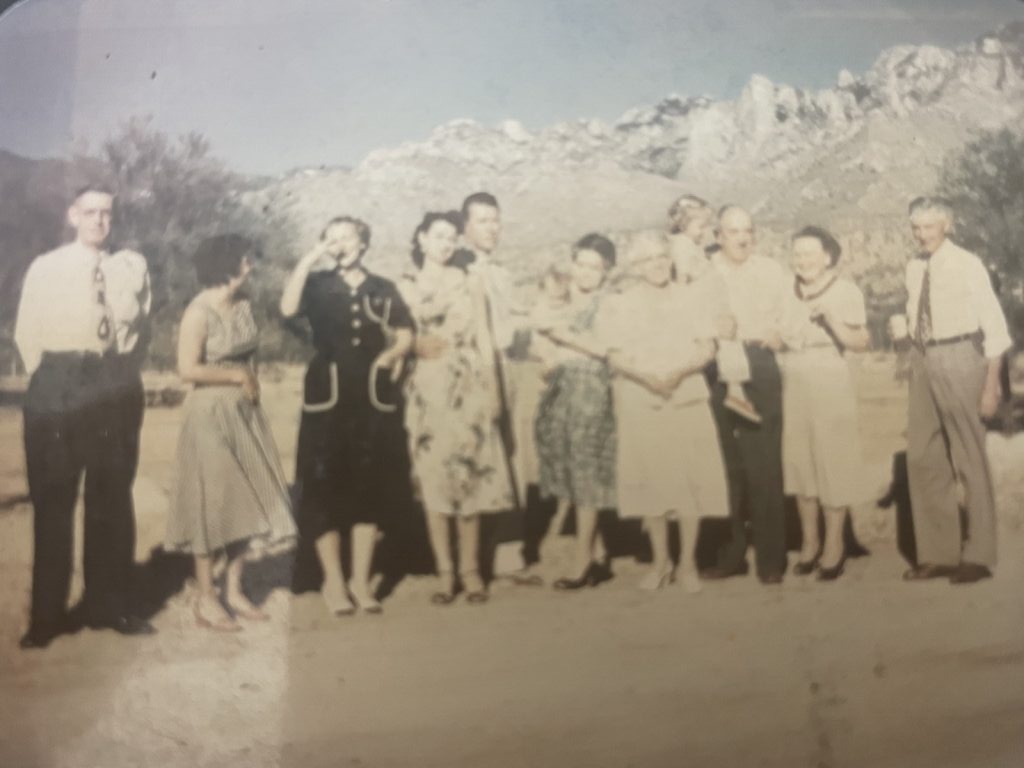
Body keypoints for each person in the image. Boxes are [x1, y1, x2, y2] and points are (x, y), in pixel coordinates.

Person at [14, 184, 155, 648]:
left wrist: (114, 374)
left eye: (107, 214)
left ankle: (109, 606)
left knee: (111, 498)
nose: (99, 221)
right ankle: (47, 617)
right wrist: (57, 377)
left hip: (113, 383)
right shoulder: (47, 267)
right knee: (54, 501)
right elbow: (27, 332)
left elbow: (144, 329)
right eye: (90, 212)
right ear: (73, 215)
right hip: (58, 382)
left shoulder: (132, 267)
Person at [280, 216, 414, 615]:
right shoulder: (318, 284)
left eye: (347, 236)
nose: (340, 244)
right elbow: (287, 308)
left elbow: (405, 329)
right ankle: (334, 583)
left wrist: (395, 352)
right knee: (325, 489)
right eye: (331, 238)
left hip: (372, 397)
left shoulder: (382, 287)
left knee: (368, 487)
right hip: (328, 394)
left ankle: (360, 580)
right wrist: (312, 257)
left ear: (363, 243)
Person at [165, 235, 296, 631]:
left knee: (248, 501)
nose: (249, 266)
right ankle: (206, 597)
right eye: (243, 260)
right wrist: (237, 374)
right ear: (224, 263)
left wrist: (249, 385)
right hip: (209, 413)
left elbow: (250, 356)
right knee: (212, 504)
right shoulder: (198, 312)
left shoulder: (244, 306)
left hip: (244, 412)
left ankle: (234, 590)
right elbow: (187, 369)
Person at [592, 231, 729, 592]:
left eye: (661, 257)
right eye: (648, 259)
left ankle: (687, 564)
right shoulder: (620, 304)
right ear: (636, 266)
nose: (656, 265)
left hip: (685, 397)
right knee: (652, 485)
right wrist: (647, 377)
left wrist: (677, 372)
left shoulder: (691, 299)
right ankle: (660, 562)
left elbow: (707, 348)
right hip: (642, 399)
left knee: (689, 482)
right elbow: (614, 354)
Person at [400, 211, 514, 604]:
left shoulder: (470, 281)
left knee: (471, 476)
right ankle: (444, 574)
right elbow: (392, 337)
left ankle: (471, 571)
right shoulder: (405, 285)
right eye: (438, 236)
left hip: (470, 388)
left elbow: (483, 336)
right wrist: (412, 346)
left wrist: (493, 389)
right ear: (421, 239)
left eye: (452, 238)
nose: (446, 244)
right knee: (435, 481)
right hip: (428, 388)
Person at [898, 197, 1011, 584]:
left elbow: (996, 329)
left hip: (962, 356)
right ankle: (938, 553)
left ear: (947, 225)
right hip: (923, 359)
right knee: (923, 455)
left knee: (968, 455)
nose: (922, 234)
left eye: (930, 226)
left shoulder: (967, 264)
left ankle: (978, 554)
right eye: (916, 227)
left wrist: (991, 386)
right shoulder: (914, 267)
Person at [701, 206, 799, 585]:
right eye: (733, 231)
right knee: (725, 464)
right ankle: (730, 554)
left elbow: (792, 316)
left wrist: (780, 336)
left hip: (758, 363)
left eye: (748, 231)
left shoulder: (771, 271)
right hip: (717, 365)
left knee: (764, 464)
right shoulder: (705, 271)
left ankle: (771, 561)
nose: (742, 238)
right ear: (718, 235)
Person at [783, 226, 871, 581]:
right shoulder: (785, 291)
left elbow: (861, 341)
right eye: (798, 253)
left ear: (828, 257)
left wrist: (831, 319)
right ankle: (809, 542)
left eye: (810, 253)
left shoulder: (845, 291)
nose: (803, 260)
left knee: (833, 461)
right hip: (793, 377)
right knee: (800, 463)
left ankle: (835, 545)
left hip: (829, 378)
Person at [532, 234, 617, 590]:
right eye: (580, 264)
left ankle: (582, 561)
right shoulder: (559, 300)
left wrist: (563, 336)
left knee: (586, 472)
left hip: (591, 388)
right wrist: (548, 356)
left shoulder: (610, 304)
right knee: (566, 467)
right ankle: (597, 554)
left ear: (607, 271)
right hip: (560, 389)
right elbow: (541, 338)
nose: (585, 273)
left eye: (594, 267)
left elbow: (607, 349)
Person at [668, 194, 759, 423]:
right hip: (701, 306)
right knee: (726, 341)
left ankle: (735, 389)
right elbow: (682, 279)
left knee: (730, 341)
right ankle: (734, 390)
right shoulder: (680, 246)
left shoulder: (692, 247)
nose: (704, 231)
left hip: (711, 303)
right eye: (700, 226)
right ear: (684, 224)